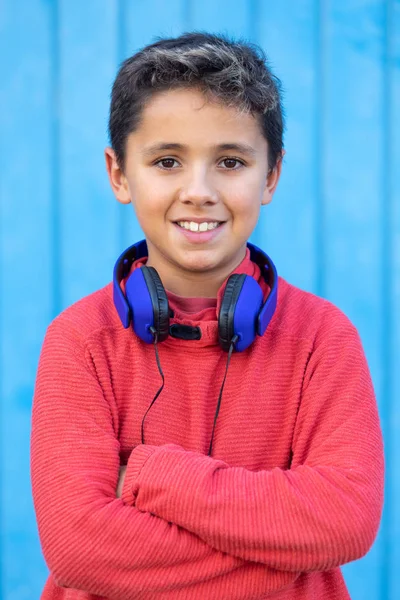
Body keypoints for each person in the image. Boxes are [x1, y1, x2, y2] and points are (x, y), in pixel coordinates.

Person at [31, 32, 384, 600]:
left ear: (270, 176)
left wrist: (151, 476)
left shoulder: (323, 337)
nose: (199, 191)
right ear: (119, 173)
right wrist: (288, 552)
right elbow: (78, 547)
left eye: (230, 161)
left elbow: (345, 517)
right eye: (167, 161)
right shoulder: (79, 341)